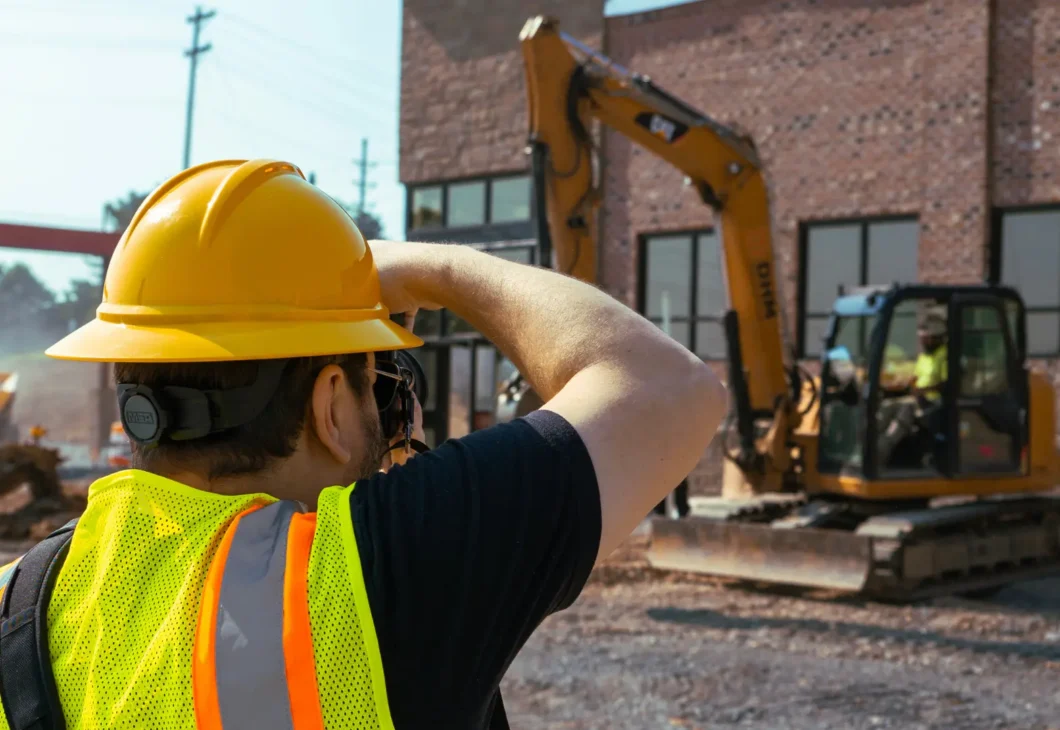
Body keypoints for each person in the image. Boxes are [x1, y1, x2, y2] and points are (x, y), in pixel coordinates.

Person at [0, 159, 727, 729]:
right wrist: (432, 268)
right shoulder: (372, 573)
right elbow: (670, 387)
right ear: (329, 407)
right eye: (376, 380)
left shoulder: (20, 596)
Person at [876, 307, 948, 468]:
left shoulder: (945, 355)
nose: (922, 342)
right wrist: (901, 385)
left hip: (934, 404)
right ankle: (873, 440)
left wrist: (923, 391)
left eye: (925, 339)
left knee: (905, 408)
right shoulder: (925, 356)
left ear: (936, 338)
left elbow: (947, 384)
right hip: (918, 399)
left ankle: (886, 445)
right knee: (888, 406)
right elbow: (916, 378)